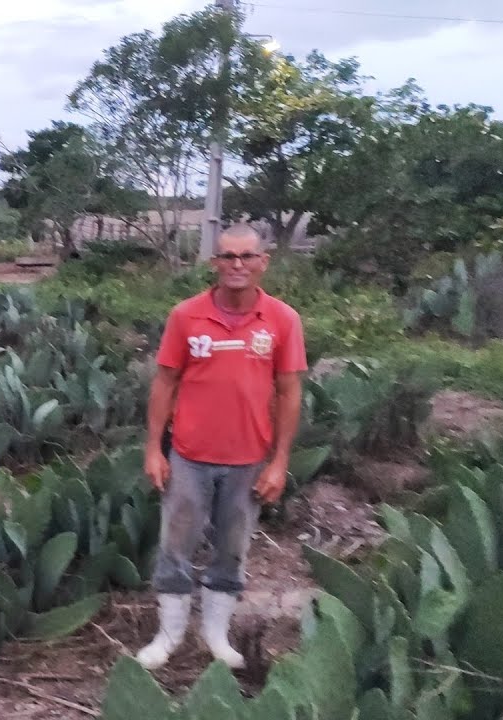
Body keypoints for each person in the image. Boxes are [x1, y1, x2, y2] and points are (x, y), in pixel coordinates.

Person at [136, 224, 306, 671]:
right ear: (214, 263)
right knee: (175, 545)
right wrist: (154, 448)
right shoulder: (186, 316)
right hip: (189, 454)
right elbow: (165, 383)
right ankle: (169, 634)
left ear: (262, 262)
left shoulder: (282, 320)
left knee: (232, 549)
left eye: (246, 256)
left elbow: (289, 392)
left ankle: (216, 635)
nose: (237, 265)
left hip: (249, 460)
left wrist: (280, 462)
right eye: (227, 256)